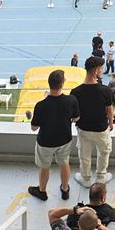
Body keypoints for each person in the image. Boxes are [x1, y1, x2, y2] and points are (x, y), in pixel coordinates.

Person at [27, 69, 79, 201]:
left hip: (45, 142)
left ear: (49, 84)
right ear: (62, 84)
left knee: (44, 166)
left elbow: (34, 128)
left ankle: (42, 191)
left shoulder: (41, 105)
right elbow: (76, 118)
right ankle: (65, 189)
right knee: (64, 163)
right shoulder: (71, 100)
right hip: (65, 139)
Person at [72, 56, 115, 185]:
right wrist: (111, 123)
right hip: (101, 129)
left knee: (84, 154)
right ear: (96, 71)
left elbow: (74, 115)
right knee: (104, 151)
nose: (103, 70)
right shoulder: (105, 90)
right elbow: (109, 110)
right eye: (101, 68)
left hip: (83, 129)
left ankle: (85, 178)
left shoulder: (75, 92)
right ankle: (101, 176)